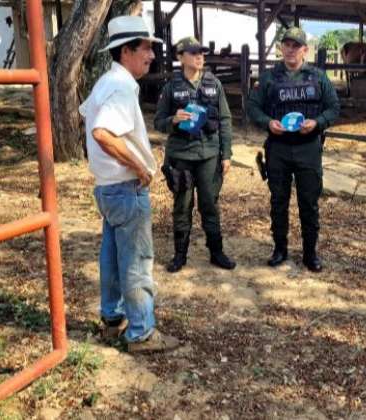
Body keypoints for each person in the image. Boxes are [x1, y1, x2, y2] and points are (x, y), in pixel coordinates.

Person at [79, 16, 179, 353]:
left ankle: (112, 317)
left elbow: (89, 118)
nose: (151, 55)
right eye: (146, 48)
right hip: (125, 187)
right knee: (137, 261)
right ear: (126, 51)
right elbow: (103, 132)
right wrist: (140, 167)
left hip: (107, 188)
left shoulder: (106, 82)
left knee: (111, 256)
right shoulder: (121, 86)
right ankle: (141, 332)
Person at [247, 27, 340, 272]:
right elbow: (253, 107)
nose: (290, 49)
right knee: (279, 201)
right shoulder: (268, 78)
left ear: (304, 50)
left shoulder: (318, 77)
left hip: (308, 148)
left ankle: (310, 253)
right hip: (278, 148)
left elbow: (333, 108)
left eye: (295, 45)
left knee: (309, 203)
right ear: (281, 48)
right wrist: (267, 122)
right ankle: (280, 249)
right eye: (286, 45)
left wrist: (317, 123)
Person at [154, 36, 235, 273]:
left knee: (210, 203)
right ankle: (180, 255)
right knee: (182, 205)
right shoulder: (171, 88)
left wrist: (226, 153)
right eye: (193, 52)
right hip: (181, 156)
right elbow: (158, 122)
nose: (200, 56)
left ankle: (217, 252)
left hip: (209, 154)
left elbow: (225, 120)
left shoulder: (214, 84)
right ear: (180, 57)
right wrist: (174, 120)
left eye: (202, 52)